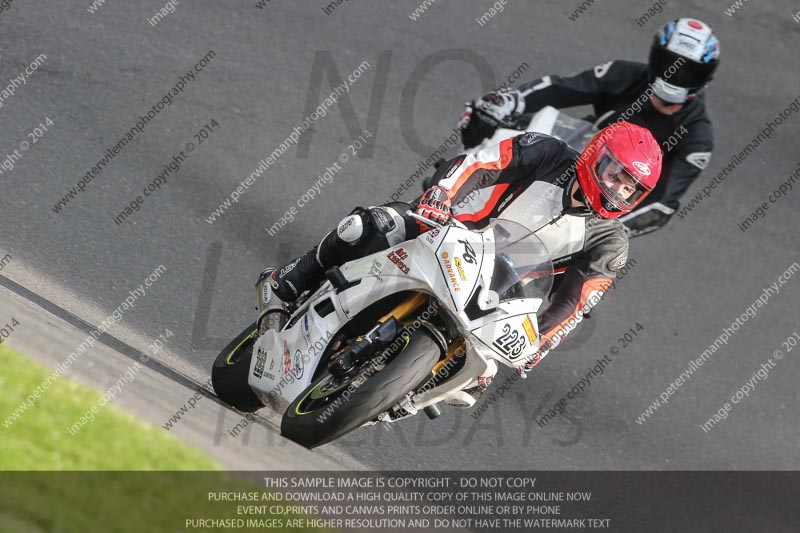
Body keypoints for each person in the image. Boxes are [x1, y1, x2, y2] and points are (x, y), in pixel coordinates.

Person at [262, 121, 662, 388]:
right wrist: (441, 195)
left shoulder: (611, 243)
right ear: (596, 153)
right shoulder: (548, 152)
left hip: (498, 293)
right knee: (372, 225)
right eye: (616, 174)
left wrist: (538, 342)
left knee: (479, 375)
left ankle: (402, 392)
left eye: (631, 188)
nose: (618, 190)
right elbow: (479, 164)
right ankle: (289, 281)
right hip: (452, 233)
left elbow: (573, 303)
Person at [459, 18, 720, 237]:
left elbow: (660, 203)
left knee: (567, 279)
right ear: (655, 59)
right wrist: (511, 101)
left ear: (704, 78)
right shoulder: (624, 74)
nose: (673, 75)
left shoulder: (697, 139)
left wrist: (606, 227)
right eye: (669, 64)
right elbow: (562, 89)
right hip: (564, 160)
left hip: (594, 211)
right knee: (486, 118)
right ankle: (445, 190)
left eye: (688, 73)